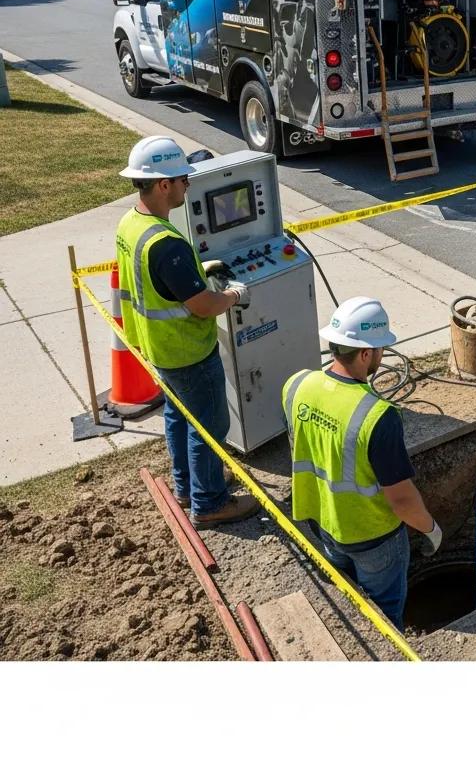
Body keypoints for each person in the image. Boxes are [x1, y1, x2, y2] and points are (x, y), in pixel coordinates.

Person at [116, 136, 258, 527]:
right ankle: (210, 503)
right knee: (209, 428)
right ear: (164, 185)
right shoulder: (167, 245)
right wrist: (232, 294)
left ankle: (187, 486)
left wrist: (195, 271)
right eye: (183, 180)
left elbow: (159, 283)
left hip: (157, 349)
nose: (187, 186)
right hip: (188, 352)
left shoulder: (132, 224)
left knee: (179, 419)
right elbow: (203, 305)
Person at [284, 296, 442, 629]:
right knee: (384, 615)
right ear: (366, 353)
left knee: (352, 601)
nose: (382, 356)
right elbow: (401, 499)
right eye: (381, 348)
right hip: (373, 539)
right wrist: (430, 528)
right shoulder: (378, 416)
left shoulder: (296, 385)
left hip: (321, 523)